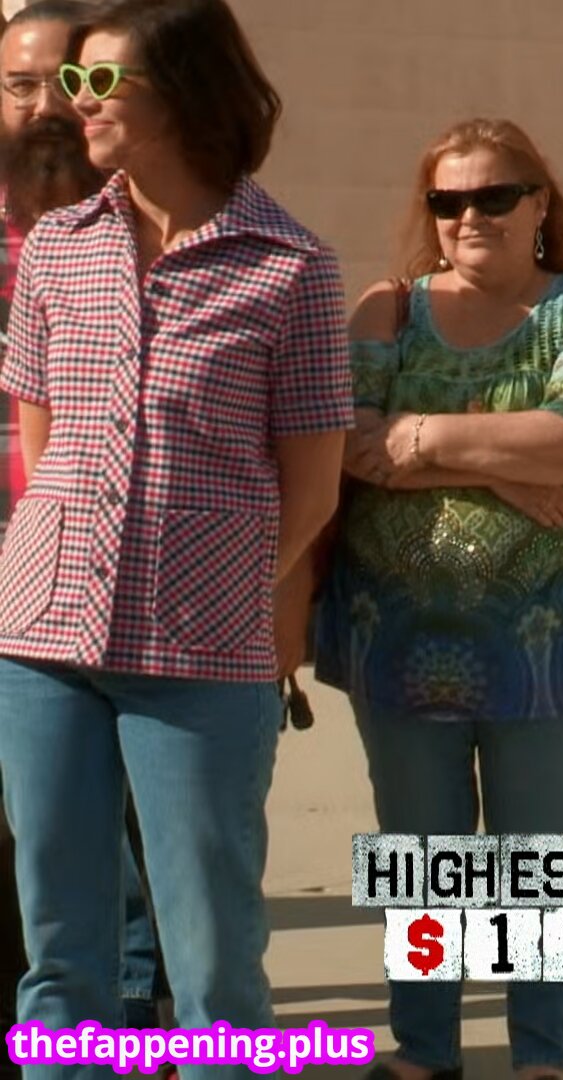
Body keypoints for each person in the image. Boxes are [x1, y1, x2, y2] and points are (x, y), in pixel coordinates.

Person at [0, 0, 351, 1070]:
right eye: (74, 81)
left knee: (212, 956)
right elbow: (41, 444)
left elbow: (312, 486)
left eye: (102, 82)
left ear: (188, 95)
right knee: (60, 947)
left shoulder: (290, 266)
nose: (77, 103)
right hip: (42, 642)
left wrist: (221, 589)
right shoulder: (58, 247)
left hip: (202, 652)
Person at [314, 117, 563, 1080]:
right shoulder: (387, 310)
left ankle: (542, 1057)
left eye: (493, 196)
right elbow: (345, 443)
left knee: (537, 856)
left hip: (548, 644)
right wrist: (500, 466)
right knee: (417, 854)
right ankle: (423, 1050)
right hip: (395, 638)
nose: (469, 215)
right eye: (448, 200)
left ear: (539, 204)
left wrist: (423, 437)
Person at [0, 3, 176, 1051]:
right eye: (17, 84)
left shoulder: (156, 220)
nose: (44, 106)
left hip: (114, 567)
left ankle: (135, 1021)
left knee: (125, 821)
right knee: (40, 826)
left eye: (64, 81)